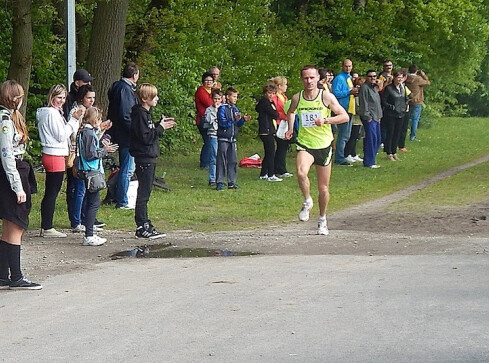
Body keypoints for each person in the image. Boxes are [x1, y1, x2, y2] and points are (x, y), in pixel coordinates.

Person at [285, 65, 349, 235]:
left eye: (312, 78)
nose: (309, 81)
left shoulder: (326, 96)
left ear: (318, 79)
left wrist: (326, 120)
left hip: (324, 145)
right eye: (306, 78)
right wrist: (290, 128)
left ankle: (322, 219)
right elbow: (291, 112)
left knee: (323, 189)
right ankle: (307, 201)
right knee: (300, 172)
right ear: (302, 79)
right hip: (305, 144)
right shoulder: (298, 98)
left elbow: (344, 116)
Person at [0, 80, 42, 290]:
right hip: (11, 174)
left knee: (9, 225)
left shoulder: (7, 117)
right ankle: (16, 276)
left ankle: (3, 275)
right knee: (16, 224)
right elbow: (7, 155)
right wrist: (17, 187)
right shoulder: (5, 120)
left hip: (14, 171)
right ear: (15, 98)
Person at [130, 83, 176, 239]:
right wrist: (160, 128)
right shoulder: (140, 114)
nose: (156, 99)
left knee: (146, 192)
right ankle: (141, 225)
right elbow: (145, 137)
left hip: (149, 156)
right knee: (143, 193)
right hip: (144, 157)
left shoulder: (146, 114)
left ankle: (145, 222)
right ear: (144, 98)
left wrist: (159, 125)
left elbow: (149, 132)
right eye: (153, 96)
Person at [37, 84, 80, 238]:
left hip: (53, 154)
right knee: (52, 192)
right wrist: (73, 121)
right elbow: (61, 135)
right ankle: (47, 226)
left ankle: (46, 225)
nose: (61, 101)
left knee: (51, 191)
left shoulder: (50, 113)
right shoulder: (52, 114)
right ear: (52, 97)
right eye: (59, 97)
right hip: (54, 154)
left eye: (63, 98)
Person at [67, 85, 111, 232]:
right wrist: (104, 148)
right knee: (79, 190)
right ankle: (78, 221)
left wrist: (101, 129)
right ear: (81, 98)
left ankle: (87, 220)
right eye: (88, 97)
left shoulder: (91, 118)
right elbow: (85, 143)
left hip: (85, 158)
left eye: (93, 97)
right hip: (80, 158)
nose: (91, 100)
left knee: (86, 192)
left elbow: (92, 140)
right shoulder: (78, 112)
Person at [76, 107, 118, 246]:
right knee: (93, 203)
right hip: (91, 171)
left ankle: (89, 232)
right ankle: (89, 235)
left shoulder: (85, 131)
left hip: (87, 170)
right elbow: (90, 155)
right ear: (94, 119)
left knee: (90, 202)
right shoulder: (88, 133)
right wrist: (104, 151)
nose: (100, 121)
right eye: (99, 119)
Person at [107, 62, 139, 209]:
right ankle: (122, 200)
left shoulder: (118, 87)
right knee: (128, 168)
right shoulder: (125, 90)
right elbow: (126, 115)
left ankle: (117, 195)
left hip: (118, 132)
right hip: (126, 135)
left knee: (125, 166)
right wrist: (135, 131)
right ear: (135, 75)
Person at [216, 87, 251, 191]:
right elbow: (223, 123)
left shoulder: (235, 109)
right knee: (221, 160)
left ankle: (231, 182)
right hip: (223, 138)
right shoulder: (222, 108)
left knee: (233, 161)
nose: (236, 99)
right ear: (228, 97)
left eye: (237, 97)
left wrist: (243, 120)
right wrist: (233, 120)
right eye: (234, 96)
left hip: (232, 138)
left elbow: (237, 124)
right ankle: (220, 182)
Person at [332, 59, 357, 166]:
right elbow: (335, 93)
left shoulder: (349, 78)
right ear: (342, 66)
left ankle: (342, 155)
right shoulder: (339, 78)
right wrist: (349, 92)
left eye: (350, 66)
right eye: (346, 66)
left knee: (346, 134)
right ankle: (339, 158)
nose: (348, 68)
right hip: (342, 109)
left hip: (350, 109)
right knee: (343, 135)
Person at [381, 70, 409, 161]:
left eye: (401, 77)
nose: (400, 79)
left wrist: (404, 107)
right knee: (390, 133)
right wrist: (392, 107)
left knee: (398, 133)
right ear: (394, 78)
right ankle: (389, 152)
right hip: (391, 114)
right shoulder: (389, 88)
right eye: (398, 77)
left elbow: (406, 98)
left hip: (400, 114)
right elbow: (383, 100)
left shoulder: (402, 87)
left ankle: (394, 152)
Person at [256, 82, 281, 182]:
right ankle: (271, 174)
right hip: (265, 130)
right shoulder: (265, 102)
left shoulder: (270, 102)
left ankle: (263, 173)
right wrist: (275, 113)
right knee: (270, 153)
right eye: (269, 93)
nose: (271, 95)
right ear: (265, 93)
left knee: (269, 153)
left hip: (269, 129)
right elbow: (274, 114)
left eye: (273, 93)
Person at [359, 70, 383, 168]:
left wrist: (379, 116)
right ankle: (369, 162)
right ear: (366, 77)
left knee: (377, 139)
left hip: (377, 117)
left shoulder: (374, 88)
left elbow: (377, 103)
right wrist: (367, 116)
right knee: (371, 139)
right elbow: (364, 103)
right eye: (370, 76)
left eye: (374, 76)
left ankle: (372, 159)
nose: (373, 78)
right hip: (370, 117)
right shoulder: (364, 87)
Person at [271, 76, 293, 178]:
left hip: (285, 122)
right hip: (279, 123)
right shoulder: (275, 97)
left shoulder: (283, 96)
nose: (286, 87)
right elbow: (276, 111)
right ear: (279, 86)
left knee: (283, 147)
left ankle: (280, 167)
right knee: (281, 146)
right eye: (285, 85)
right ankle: (280, 169)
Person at [405, 64, 430, 142]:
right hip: (417, 101)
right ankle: (412, 136)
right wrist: (423, 75)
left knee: (406, 119)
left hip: (407, 100)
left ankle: (403, 133)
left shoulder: (406, 78)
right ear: (417, 70)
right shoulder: (418, 79)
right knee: (415, 119)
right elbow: (428, 82)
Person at [194, 72, 214, 169]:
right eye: (207, 80)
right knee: (208, 141)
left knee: (210, 140)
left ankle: (209, 162)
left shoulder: (213, 91)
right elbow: (209, 103)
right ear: (203, 82)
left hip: (211, 119)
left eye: (210, 80)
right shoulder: (201, 91)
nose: (209, 82)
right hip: (203, 119)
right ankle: (204, 163)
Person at [203, 89, 222, 186]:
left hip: (222, 135)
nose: (217, 101)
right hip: (213, 135)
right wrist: (216, 111)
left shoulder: (224, 108)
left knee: (222, 157)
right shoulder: (209, 110)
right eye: (215, 99)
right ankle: (212, 178)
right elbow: (209, 120)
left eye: (219, 99)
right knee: (213, 156)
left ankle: (220, 178)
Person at [344, 73, 363, 163]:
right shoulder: (354, 96)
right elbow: (357, 107)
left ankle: (353, 153)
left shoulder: (360, 95)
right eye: (358, 86)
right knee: (352, 136)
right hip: (355, 118)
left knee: (356, 137)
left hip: (359, 120)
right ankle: (347, 153)